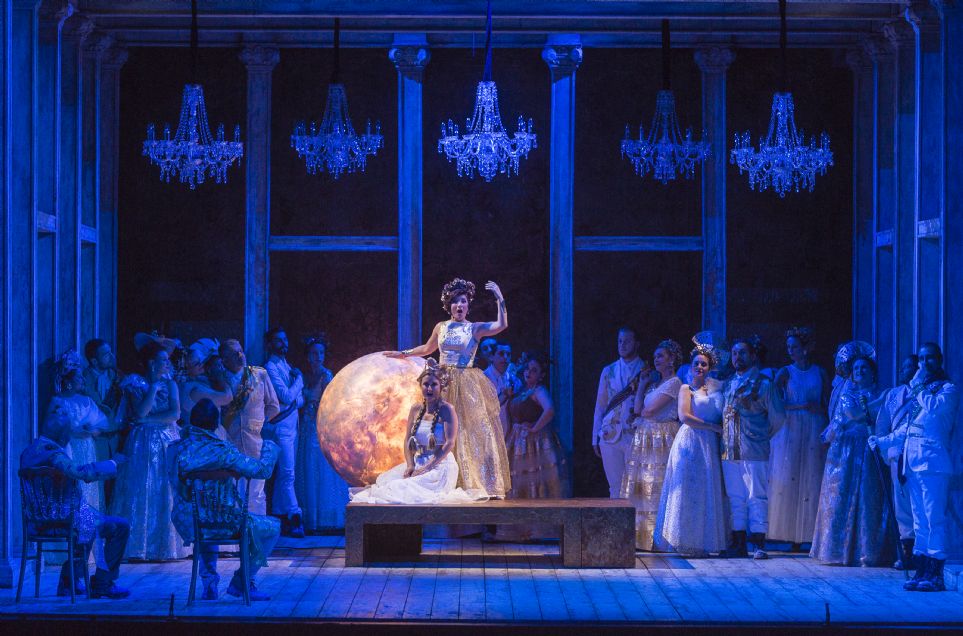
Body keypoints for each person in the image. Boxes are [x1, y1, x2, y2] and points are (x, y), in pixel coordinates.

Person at [387, 278, 511, 498]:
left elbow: (501, 325)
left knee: (466, 432)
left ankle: (468, 481)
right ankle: (438, 476)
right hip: (441, 382)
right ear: (449, 305)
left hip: (466, 383)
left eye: (463, 301)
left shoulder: (474, 328)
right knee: (439, 430)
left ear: (468, 305)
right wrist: (403, 354)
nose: (459, 305)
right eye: (455, 302)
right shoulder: (441, 327)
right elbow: (427, 348)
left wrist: (500, 298)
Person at [168, 399, 281, 601]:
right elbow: (262, 470)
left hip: (188, 521)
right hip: (226, 523)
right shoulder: (223, 451)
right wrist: (269, 444)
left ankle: (209, 585)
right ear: (215, 424)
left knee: (206, 519)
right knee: (273, 527)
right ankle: (242, 582)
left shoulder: (176, 449)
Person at [872, 343, 959, 592]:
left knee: (934, 519)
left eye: (929, 358)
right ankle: (921, 570)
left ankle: (936, 573)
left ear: (939, 360)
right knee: (919, 521)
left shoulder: (947, 390)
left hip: (933, 464)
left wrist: (918, 386)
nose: (924, 363)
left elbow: (934, 409)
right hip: (912, 464)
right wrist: (881, 441)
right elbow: (907, 429)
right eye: (921, 358)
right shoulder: (920, 393)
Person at [21, 403, 131, 598]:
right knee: (118, 526)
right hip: (61, 520)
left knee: (89, 518)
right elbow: (79, 472)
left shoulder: (29, 451)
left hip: (38, 521)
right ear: (62, 435)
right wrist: (113, 462)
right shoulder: (53, 454)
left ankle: (69, 581)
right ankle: (103, 583)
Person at [351, 360, 485, 504]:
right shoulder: (416, 409)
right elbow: (407, 439)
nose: (429, 388)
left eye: (434, 384)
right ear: (420, 386)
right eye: (426, 384)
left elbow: (450, 443)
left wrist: (427, 468)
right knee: (387, 483)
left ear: (441, 387)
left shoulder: (447, 409)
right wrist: (410, 465)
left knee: (404, 489)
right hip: (420, 460)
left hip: (440, 465)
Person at [110, 339, 188, 560]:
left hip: (167, 441)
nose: (167, 364)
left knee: (165, 489)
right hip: (142, 443)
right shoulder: (135, 383)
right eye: (163, 360)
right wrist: (152, 389)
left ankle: (166, 547)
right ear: (152, 363)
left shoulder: (171, 385)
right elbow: (140, 412)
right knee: (142, 488)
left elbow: (174, 414)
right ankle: (138, 547)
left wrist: (146, 421)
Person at [811, 356, 893, 567]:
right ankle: (838, 551)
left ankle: (869, 552)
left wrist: (878, 403)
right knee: (843, 495)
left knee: (869, 499)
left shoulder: (882, 394)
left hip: (870, 448)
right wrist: (879, 404)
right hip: (847, 451)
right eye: (856, 368)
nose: (859, 371)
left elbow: (883, 416)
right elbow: (855, 414)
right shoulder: (849, 396)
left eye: (864, 367)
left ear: (873, 372)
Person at [654, 343, 727, 557]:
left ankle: (703, 541)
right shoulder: (686, 388)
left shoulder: (717, 389)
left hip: (710, 444)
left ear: (709, 367)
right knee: (687, 489)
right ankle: (684, 540)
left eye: (704, 364)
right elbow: (685, 416)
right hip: (691, 440)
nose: (699, 367)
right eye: (696, 363)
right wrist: (712, 427)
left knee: (705, 489)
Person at [720, 338, 785, 559]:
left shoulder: (764, 384)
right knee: (735, 496)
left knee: (756, 495)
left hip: (754, 448)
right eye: (734, 353)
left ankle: (758, 543)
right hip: (729, 448)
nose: (737, 357)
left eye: (742, 353)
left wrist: (761, 435)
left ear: (752, 356)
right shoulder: (729, 383)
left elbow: (778, 417)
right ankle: (738, 543)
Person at [768, 327, 829, 551]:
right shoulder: (785, 372)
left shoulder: (819, 372)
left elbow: (829, 403)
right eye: (789, 347)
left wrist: (819, 409)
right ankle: (789, 534)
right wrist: (796, 406)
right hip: (791, 426)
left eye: (794, 347)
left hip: (814, 425)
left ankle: (809, 533)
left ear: (805, 348)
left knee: (812, 475)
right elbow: (773, 401)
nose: (791, 351)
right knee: (790, 475)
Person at [498, 351, 568, 540]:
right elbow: (498, 404)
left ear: (541, 375)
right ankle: (519, 529)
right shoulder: (521, 390)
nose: (529, 373)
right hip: (517, 440)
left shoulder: (539, 391)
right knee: (518, 483)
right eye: (528, 369)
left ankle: (536, 529)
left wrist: (535, 428)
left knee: (536, 482)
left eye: (534, 370)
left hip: (533, 443)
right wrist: (506, 394)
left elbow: (550, 410)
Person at [621, 340, 683, 550]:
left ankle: (659, 538)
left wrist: (642, 411)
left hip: (661, 438)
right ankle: (641, 537)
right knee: (641, 486)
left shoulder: (675, 383)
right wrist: (642, 385)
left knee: (656, 485)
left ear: (672, 359)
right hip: (646, 436)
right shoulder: (655, 384)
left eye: (661, 356)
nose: (656, 360)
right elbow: (638, 408)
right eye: (655, 356)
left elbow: (648, 411)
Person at [219, 339, 280, 515]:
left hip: (255, 444)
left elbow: (273, 406)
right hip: (229, 445)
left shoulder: (259, 375)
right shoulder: (218, 379)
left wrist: (259, 424)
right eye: (234, 354)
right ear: (224, 360)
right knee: (232, 495)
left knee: (256, 495)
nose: (240, 356)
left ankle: (258, 531)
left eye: (241, 351)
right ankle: (236, 533)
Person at [296, 335, 349, 532]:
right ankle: (311, 518)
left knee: (321, 468)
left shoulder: (326, 376)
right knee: (308, 468)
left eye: (321, 353)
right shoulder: (303, 377)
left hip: (319, 425)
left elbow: (331, 403)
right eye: (314, 353)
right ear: (308, 356)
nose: (318, 357)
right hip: (306, 425)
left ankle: (326, 517)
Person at [875, 354, 920, 570]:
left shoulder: (922, 394)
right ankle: (906, 550)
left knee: (918, 503)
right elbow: (882, 424)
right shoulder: (893, 395)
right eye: (903, 367)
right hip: (896, 455)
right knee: (901, 504)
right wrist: (887, 452)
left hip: (916, 454)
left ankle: (922, 551)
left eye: (910, 367)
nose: (905, 370)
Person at [593, 327, 646, 498]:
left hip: (636, 434)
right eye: (620, 341)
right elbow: (600, 405)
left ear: (637, 344)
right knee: (615, 487)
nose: (622, 345)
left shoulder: (646, 370)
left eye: (627, 341)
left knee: (635, 488)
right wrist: (595, 436)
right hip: (610, 433)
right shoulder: (608, 370)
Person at [264, 327, 305, 538]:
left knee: (286, 474)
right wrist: (300, 380)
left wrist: (294, 397)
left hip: (292, 426)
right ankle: (295, 515)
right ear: (270, 344)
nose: (284, 343)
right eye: (279, 340)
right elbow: (287, 396)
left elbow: (300, 400)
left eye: (285, 339)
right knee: (287, 473)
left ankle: (281, 516)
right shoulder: (270, 368)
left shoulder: (286, 365)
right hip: (280, 429)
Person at [178, 338, 232, 440]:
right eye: (196, 363)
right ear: (186, 367)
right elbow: (227, 397)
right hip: (201, 439)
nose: (201, 365)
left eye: (203, 361)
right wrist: (222, 377)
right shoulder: (193, 389)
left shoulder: (201, 381)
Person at [82, 338, 124, 466]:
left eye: (111, 352)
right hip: (95, 442)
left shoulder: (118, 377)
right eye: (106, 354)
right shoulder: (82, 380)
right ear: (94, 361)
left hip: (116, 441)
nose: (112, 356)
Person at [484, 342, 521, 409]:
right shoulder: (482, 378)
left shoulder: (514, 380)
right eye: (501, 354)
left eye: (508, 354)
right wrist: (504, 395)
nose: (505, 357)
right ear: (491, 357)